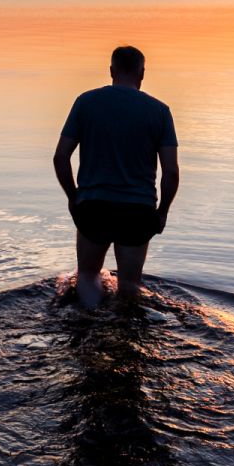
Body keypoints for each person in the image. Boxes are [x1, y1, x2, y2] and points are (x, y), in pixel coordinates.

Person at [53, 45, 179, 308]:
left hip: (94, 205)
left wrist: (74, 197)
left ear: (111, 71)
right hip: (138, 210)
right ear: (142, 73)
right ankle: (127, 328)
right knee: (131, 285)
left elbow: (60, 157)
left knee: (87, 276)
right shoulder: (159, 111)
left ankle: (87, 320)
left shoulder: (86, 102)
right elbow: (170, 172)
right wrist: (163, 211)